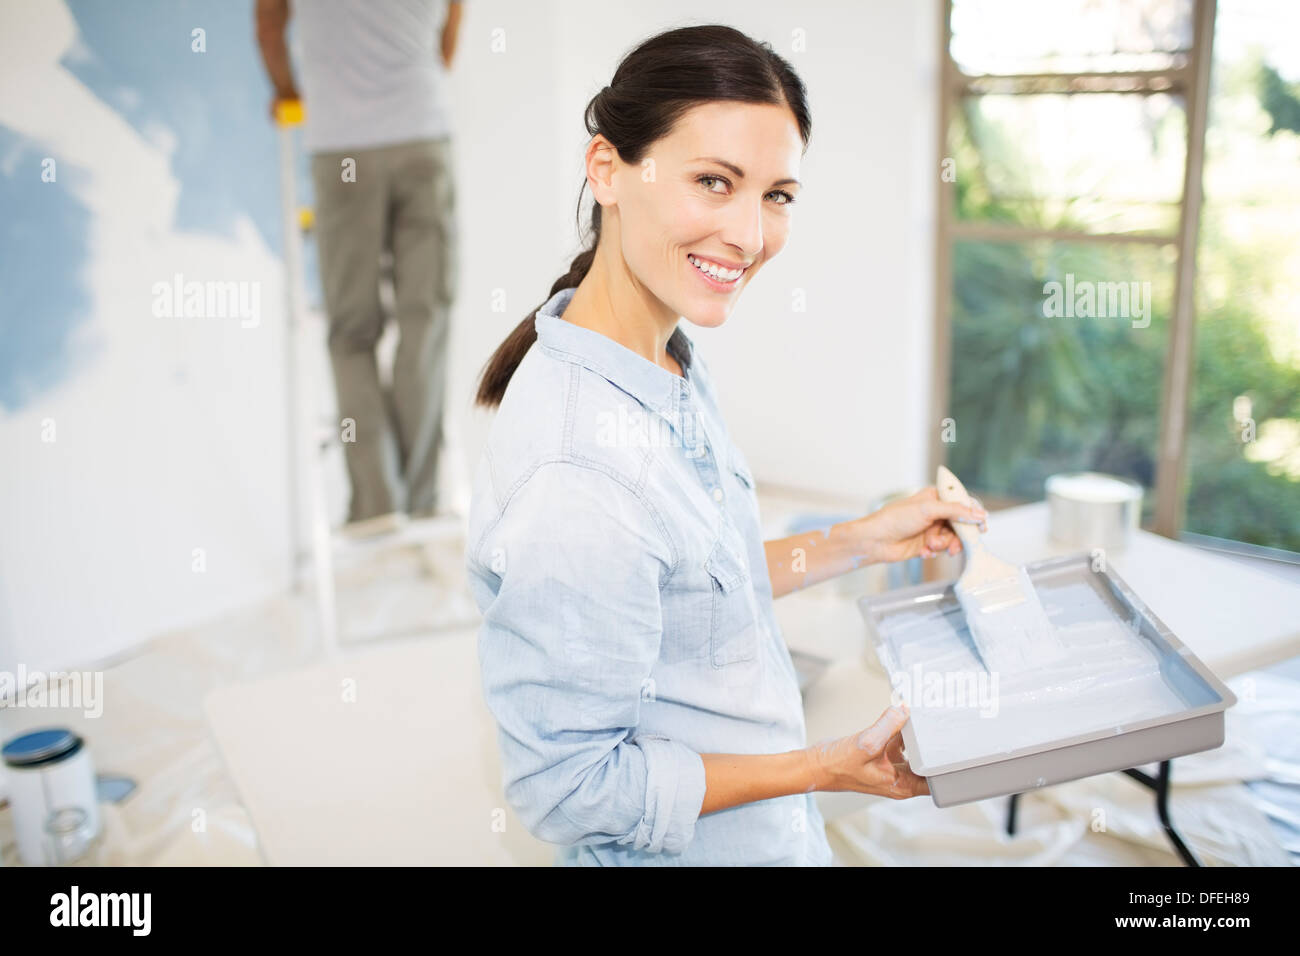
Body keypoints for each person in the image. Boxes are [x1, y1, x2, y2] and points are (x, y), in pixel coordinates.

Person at [465, 24, 988, 866]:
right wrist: (823, 766)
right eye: (715, 182)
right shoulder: (579, 473)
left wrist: (861, 539)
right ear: (608, 170)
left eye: (777, 195)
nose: (750, 235)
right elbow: (566, 788)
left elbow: (699, 591)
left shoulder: (664, 358)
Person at [256, 0, 465, 534]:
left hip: (341, 145)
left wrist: (286, 90)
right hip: (422, 134)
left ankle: (376, 501)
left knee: (351, 328)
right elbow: (452, 20)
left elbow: (269, 26)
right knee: (426, 317)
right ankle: (419, 496)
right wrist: (426, 68)